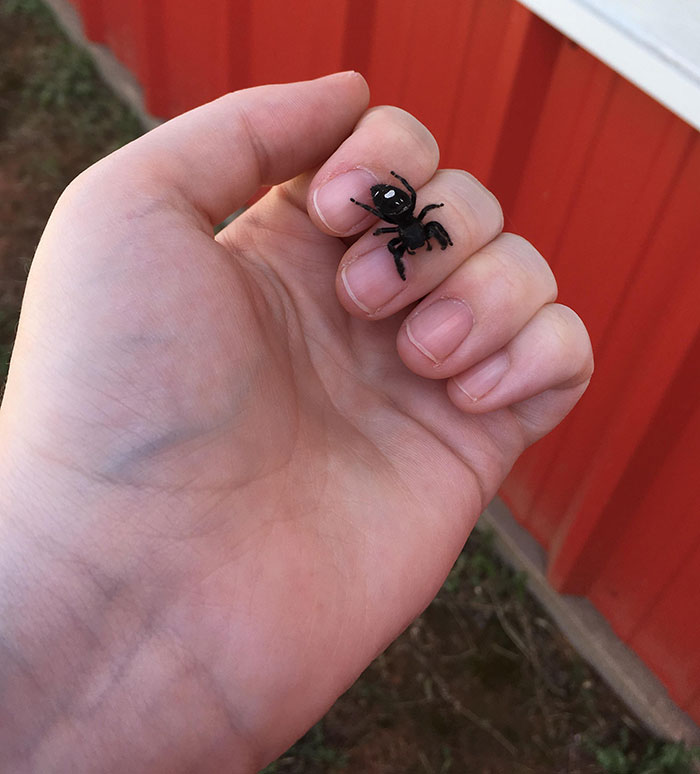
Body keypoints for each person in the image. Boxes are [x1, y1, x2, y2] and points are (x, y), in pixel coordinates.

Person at [0, 72, 593, 772]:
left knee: (408, 236)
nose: (407, 230)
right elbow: (396, 209)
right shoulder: (390, 214)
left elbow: (410, 218)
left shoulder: (403, 220)